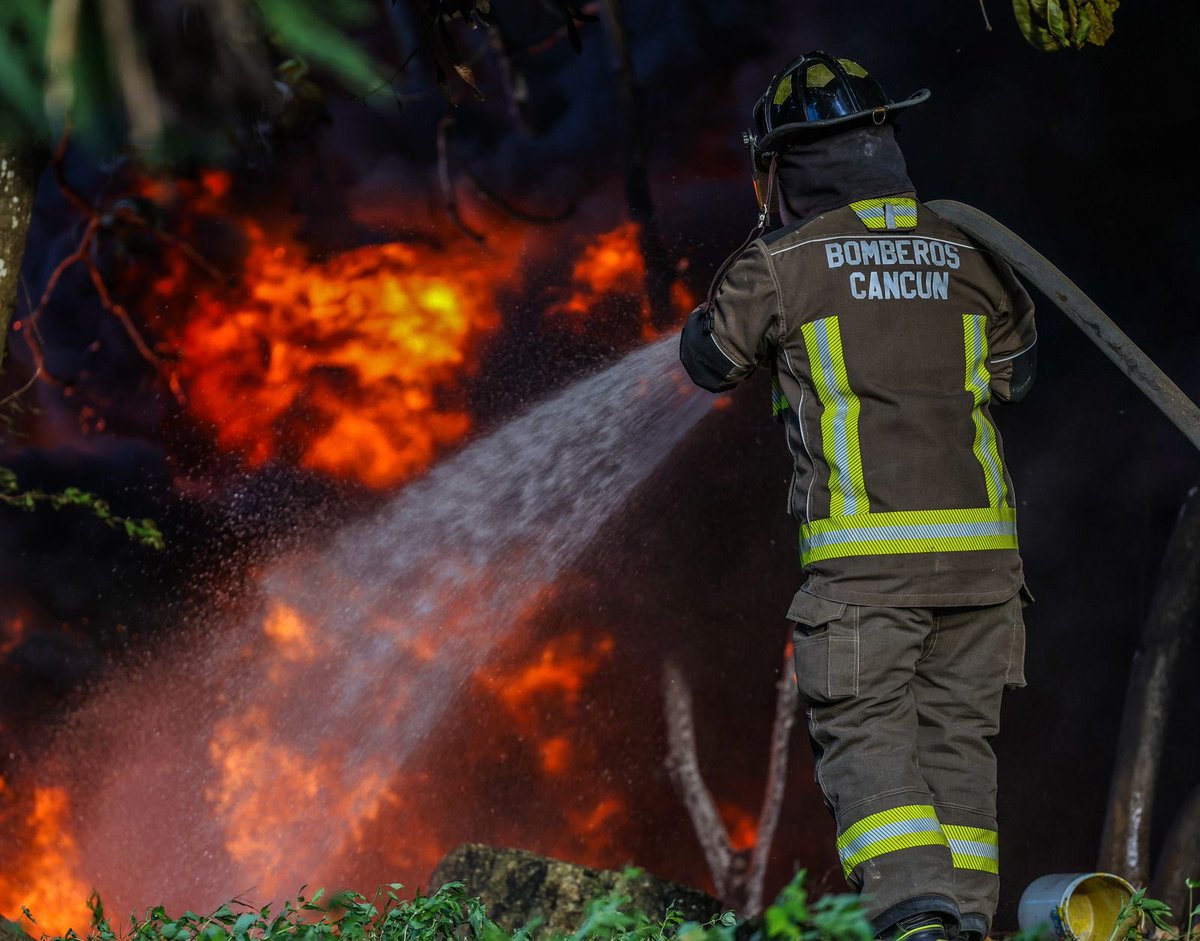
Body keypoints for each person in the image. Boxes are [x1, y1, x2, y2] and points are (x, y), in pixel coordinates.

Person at [678, 52, 1037, 941]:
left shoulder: (783, 263)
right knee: (956, 746)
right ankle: (963, 921)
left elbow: (708, 360)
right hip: (983, 571)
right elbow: (1017, 375)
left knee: (871, 741)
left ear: (783, 163)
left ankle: (914, 922)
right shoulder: (970, 250)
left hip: (867, 570)